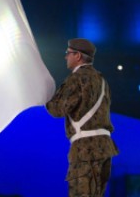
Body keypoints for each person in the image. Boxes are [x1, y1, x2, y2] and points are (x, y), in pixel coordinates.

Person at [46, 38, 118, 197]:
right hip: (105, 148)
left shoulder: (76, 78)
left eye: (68, 53)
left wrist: (45, 97)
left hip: (86, 149)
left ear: (77, 56)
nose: (66, 57)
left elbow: (58, 110)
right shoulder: (103, 81)